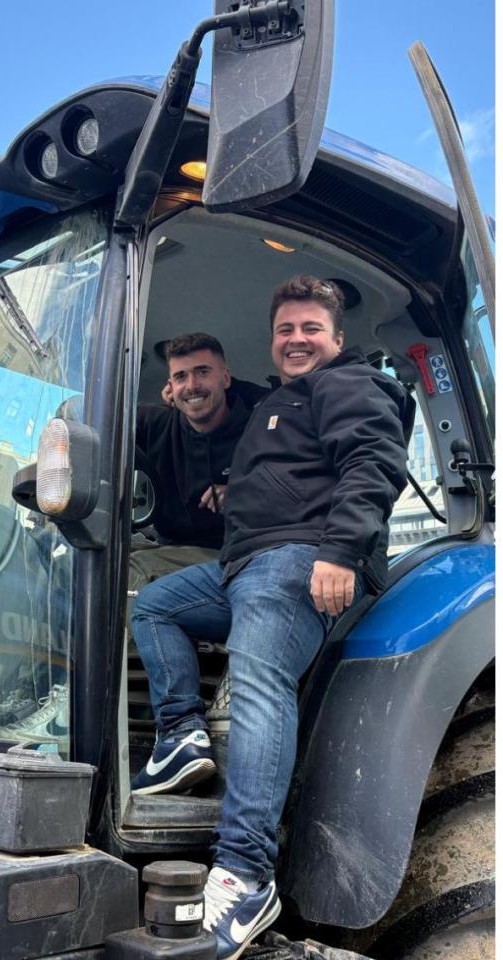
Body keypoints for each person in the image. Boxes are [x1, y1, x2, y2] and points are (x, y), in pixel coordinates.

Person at [129, 276, 412, 960]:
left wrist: (340, 551)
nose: (296, 339)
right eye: (285, 330)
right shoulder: (281, 405)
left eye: (311, 328)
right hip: (245, 564)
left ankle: (247, 873)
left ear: (336, 340)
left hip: (298, 560)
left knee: (258, 678)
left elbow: (373, 461)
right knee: (156, 604)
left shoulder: (345, 386)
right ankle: (182, 737)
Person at [131, 333, 271, 586]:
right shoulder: (154, 423)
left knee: (131, 572)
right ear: (170, 387)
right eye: (181, 376)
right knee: (71, 557)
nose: (192, 385)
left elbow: (290, 491)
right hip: (166, 545)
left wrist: (242, 492)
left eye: (203, 372)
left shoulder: (261, 429)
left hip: (232, 556)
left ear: (226, 378)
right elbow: (85, 419)